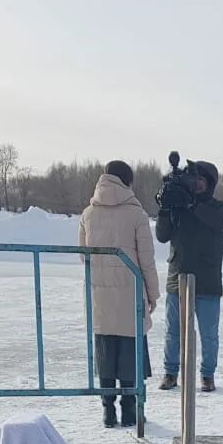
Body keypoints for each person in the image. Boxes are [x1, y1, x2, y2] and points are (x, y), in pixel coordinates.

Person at [79, 160, 160, 428]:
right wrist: (153, 293)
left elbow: (84, 256)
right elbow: (146, 260)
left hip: (100, 295)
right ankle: (130, 411)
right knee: (130, 353)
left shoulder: (88, 214)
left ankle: (107, 411)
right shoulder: (136, 214)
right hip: (130, 294)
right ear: (127, 181)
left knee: (105, 354)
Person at [156, 160, 223, 393]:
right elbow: (161, 235)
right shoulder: (179, 207)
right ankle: (170, 373)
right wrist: (165, 206)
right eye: (192, 180)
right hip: (177, 278)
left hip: (207, 283)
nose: (196, 184)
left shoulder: (221, 208)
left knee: (208, 334)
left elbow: (218, 223)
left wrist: (192, 204)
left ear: (210, 183)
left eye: (200, 180)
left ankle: (207, 375)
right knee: (173, 332)